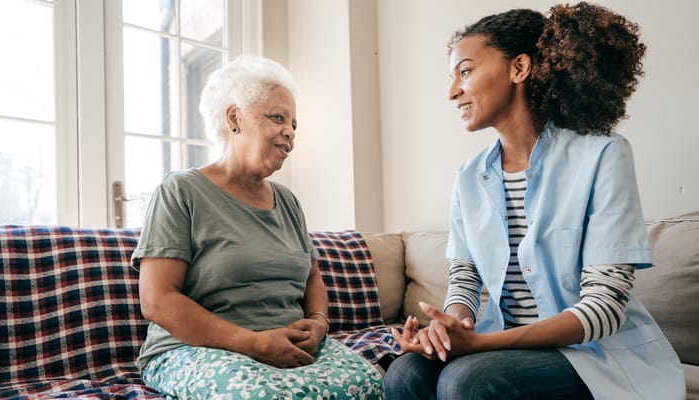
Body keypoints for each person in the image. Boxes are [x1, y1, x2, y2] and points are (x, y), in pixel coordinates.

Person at [385, 2, 685, 399]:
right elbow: (465, 281)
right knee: (407, 373)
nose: (453, 91)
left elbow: (605, 309)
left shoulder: (603, 155)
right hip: (506, 348)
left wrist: (481, 346)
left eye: (466, 71)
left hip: (594, 354)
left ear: (519, 69)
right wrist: (450, 326)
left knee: (469, 380)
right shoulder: (468, 177)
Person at [132, 55, 384, 399]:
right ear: (234, 118)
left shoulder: (289, 202)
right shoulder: (181, 191)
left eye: (294, 124)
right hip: (195, 349)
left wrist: (319, 322)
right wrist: (254, 343)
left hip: (287, 345)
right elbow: (158, 301)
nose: (290, 133)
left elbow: (313, 278)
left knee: (371, 383)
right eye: (277, 118)